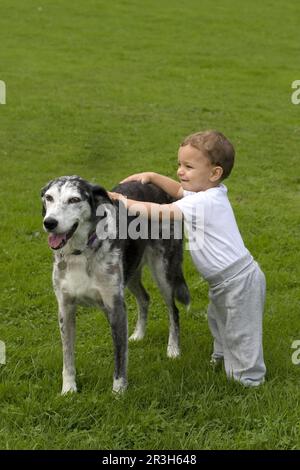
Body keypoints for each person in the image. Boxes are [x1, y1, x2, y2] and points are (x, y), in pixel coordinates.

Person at [108, 130, 266, 387]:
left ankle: (249, 379)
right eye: (179, 164)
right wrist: (151, 176)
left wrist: (122, 201)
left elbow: (163, 210)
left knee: (241, 331)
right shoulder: (205, 193)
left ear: (214, 173)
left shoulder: (206, 202)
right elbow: (179, 191)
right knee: (219, 320)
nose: (180, 171)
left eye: (188, 166)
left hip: (240, 281)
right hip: (224, 281)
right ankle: (221, 356)